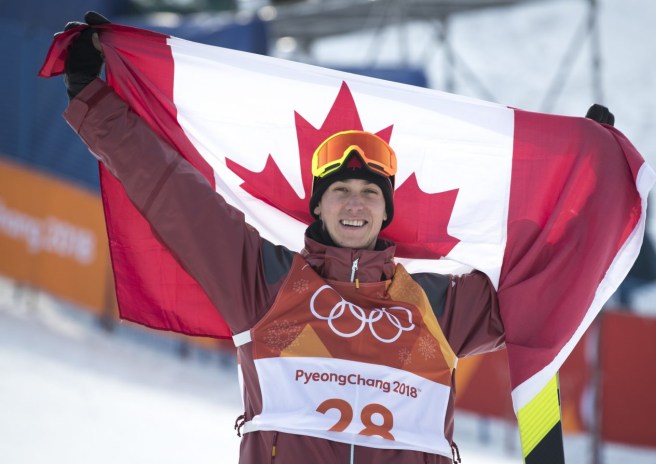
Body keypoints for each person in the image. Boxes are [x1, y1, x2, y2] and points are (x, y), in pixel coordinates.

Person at [58, 13, 612, 463]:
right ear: (317, 205)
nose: (355, 202)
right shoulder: (263, 283)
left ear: (385, 212)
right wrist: (94, 101)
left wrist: (588, 186)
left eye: (370, 193)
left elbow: (544, 288)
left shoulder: (439, 307)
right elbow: (173, 194)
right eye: (341, 190)